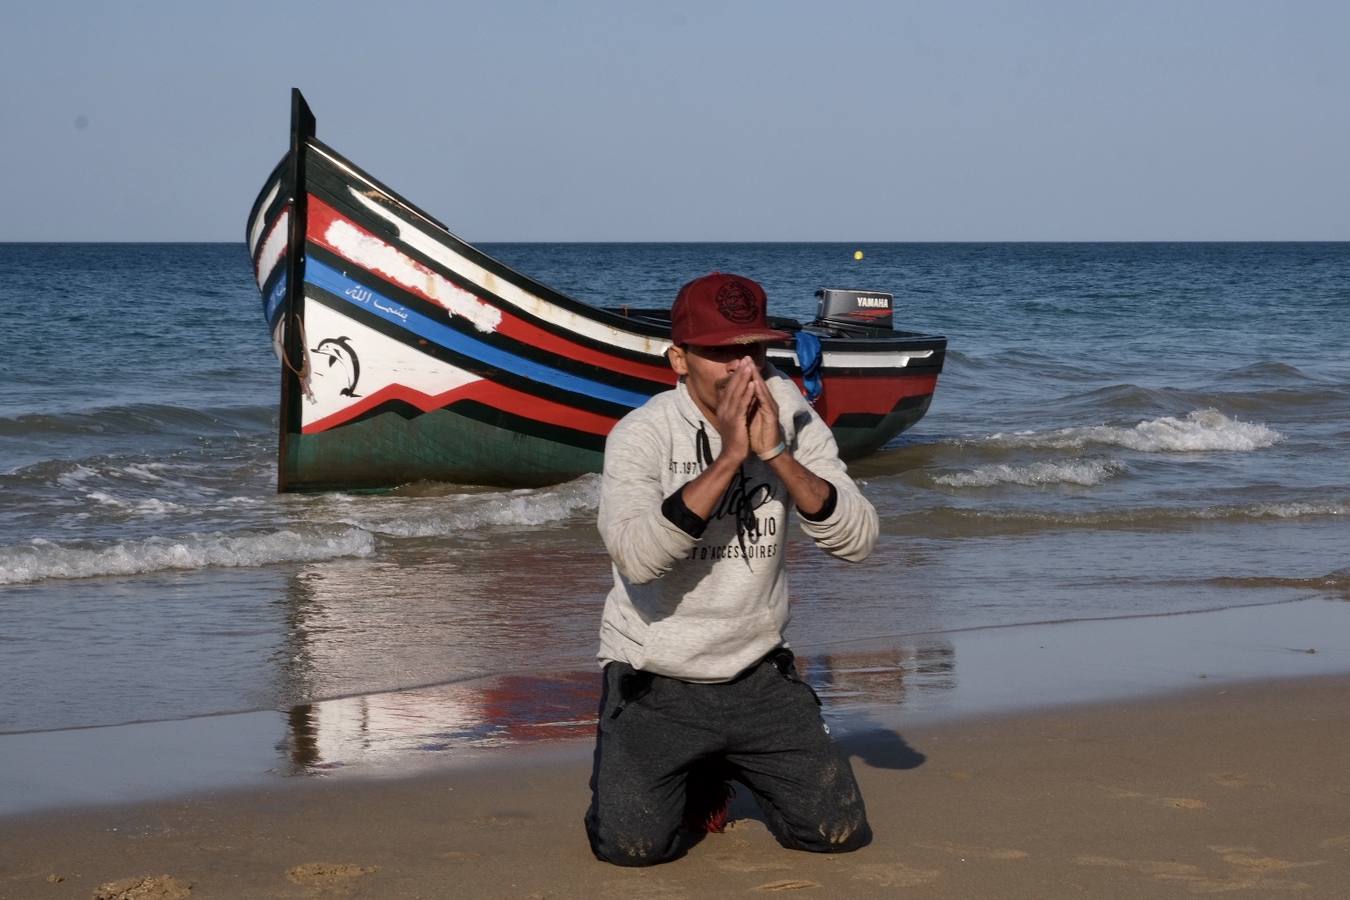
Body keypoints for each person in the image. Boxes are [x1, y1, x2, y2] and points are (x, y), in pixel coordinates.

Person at [585, 272, 879, 866]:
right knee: (632, 848)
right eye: (720, 353)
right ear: (679, 359)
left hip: (757, 674)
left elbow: (858, 541)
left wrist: (777, 455)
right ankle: (682, 767)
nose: (743, 368)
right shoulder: (642, 434)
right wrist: (729, 459)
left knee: (835, 832)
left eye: (754, 350)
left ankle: (732, 757)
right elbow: (637, 557)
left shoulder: (793, 418)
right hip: (655, 676)